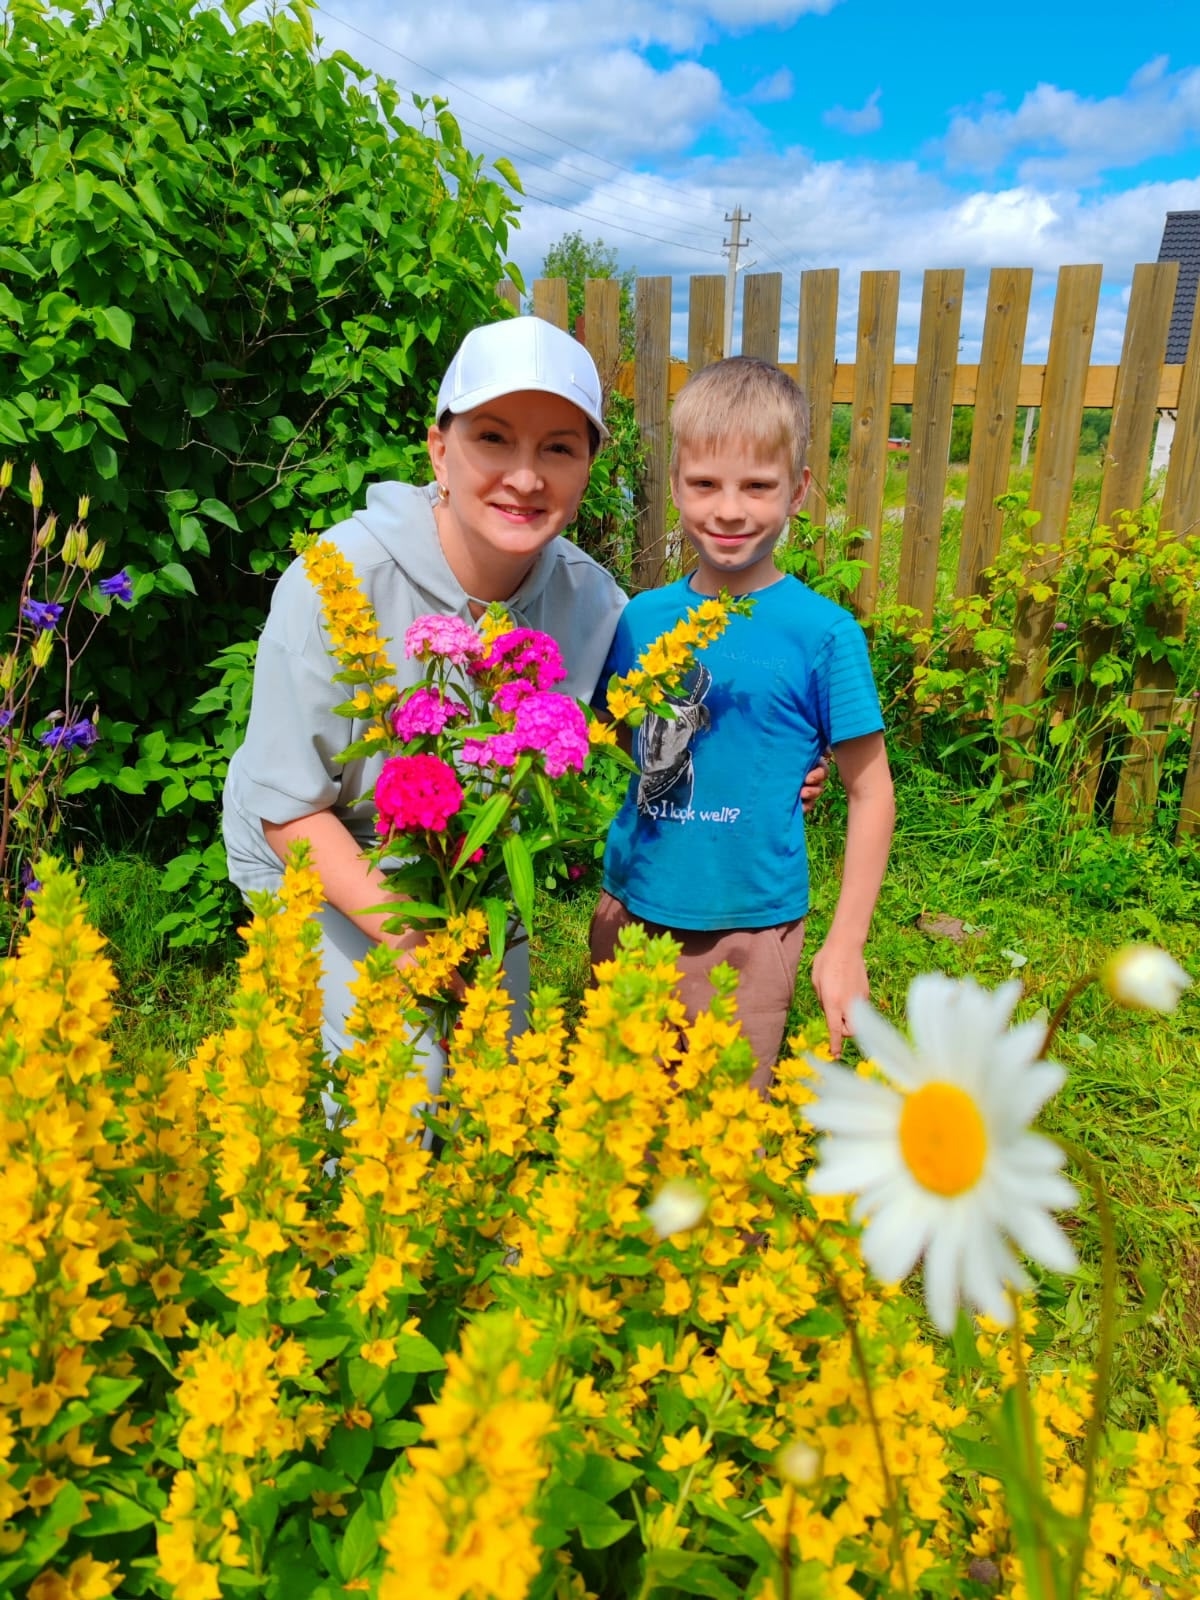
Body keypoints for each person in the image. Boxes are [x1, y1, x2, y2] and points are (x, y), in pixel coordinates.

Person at [223, 318, 829, 1097]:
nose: (525, 477)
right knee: (404, 1091)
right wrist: (420, 946)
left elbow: (657, 716)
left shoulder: (594, 604)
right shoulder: (335, 582)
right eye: (493, 438)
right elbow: (288, 809)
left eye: (558, 449)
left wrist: (785, 765)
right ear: (440, 450)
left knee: (498, 1084)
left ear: (586, 472)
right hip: (318, 847)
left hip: (471, 863)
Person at [589, 357, 894, 1087]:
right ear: (675, 486)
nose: (729, 509)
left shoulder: (823, 634)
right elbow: (614, 739)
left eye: (757, 486)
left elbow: (872, 791)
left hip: (752, 930)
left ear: (798, 491)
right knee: (617, 1118)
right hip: (631, 909)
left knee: (724, 1129)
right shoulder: (638, 620)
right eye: (705, 484)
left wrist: (845, 944)